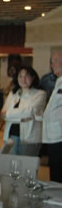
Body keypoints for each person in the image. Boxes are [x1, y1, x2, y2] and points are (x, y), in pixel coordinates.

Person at [0, 66, 46, 156]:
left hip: (30, 138)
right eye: (20, 76)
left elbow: (30, 112)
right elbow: (2, 114)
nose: (23, 79)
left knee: (27, 166)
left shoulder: (40, 94)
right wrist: (21, 119)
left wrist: (9, 114)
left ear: (33, 77)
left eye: (26, 76)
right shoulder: (13, 94)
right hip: (11, 136)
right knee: (11, 166)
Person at [43, 50, 62, 182]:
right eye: (52, 62)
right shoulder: (58, 81)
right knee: (54, 171)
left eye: (55, 61)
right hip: (53, 136)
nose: (52, 65)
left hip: (59, 137)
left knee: (58, 175)